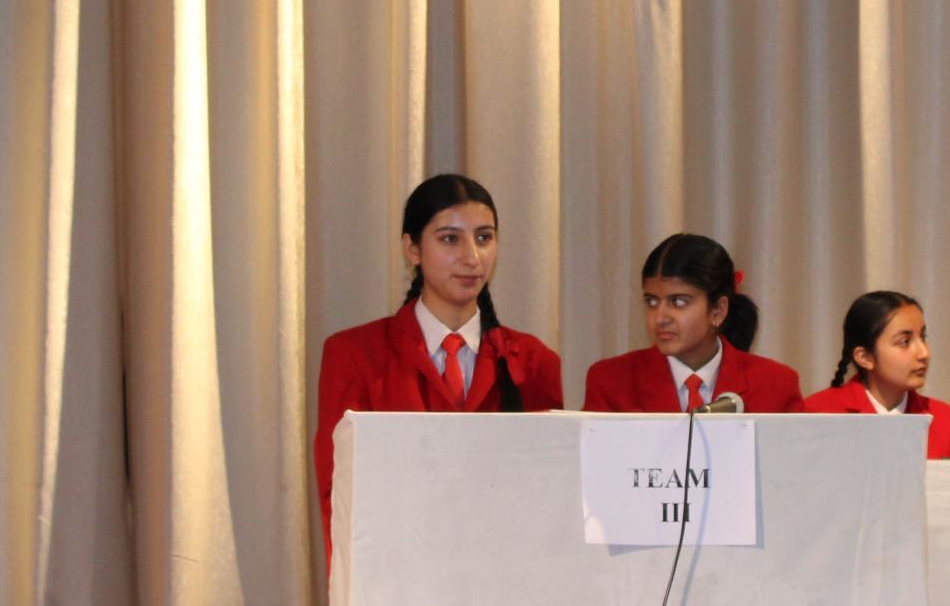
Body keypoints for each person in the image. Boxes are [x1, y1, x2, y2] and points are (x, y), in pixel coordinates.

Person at [313, 174, 565, 550]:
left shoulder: (533, 360)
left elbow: (547, 494)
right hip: (396, 570)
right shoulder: (355, 354)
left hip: (502, 570)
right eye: (450, 239)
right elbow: (339, 495)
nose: (472, 257)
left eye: (484, 237)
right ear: (412, 248)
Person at [581, 233, 802, 412]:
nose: (660, 317)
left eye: (678, 302)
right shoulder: (611, 381)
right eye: (651, 301)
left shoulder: (776, 384)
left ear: (718, 310)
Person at [797, 290, 950, 459]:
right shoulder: (814, 415)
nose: (924, 353)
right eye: (904, 342)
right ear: (865, 357)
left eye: (923, 337)